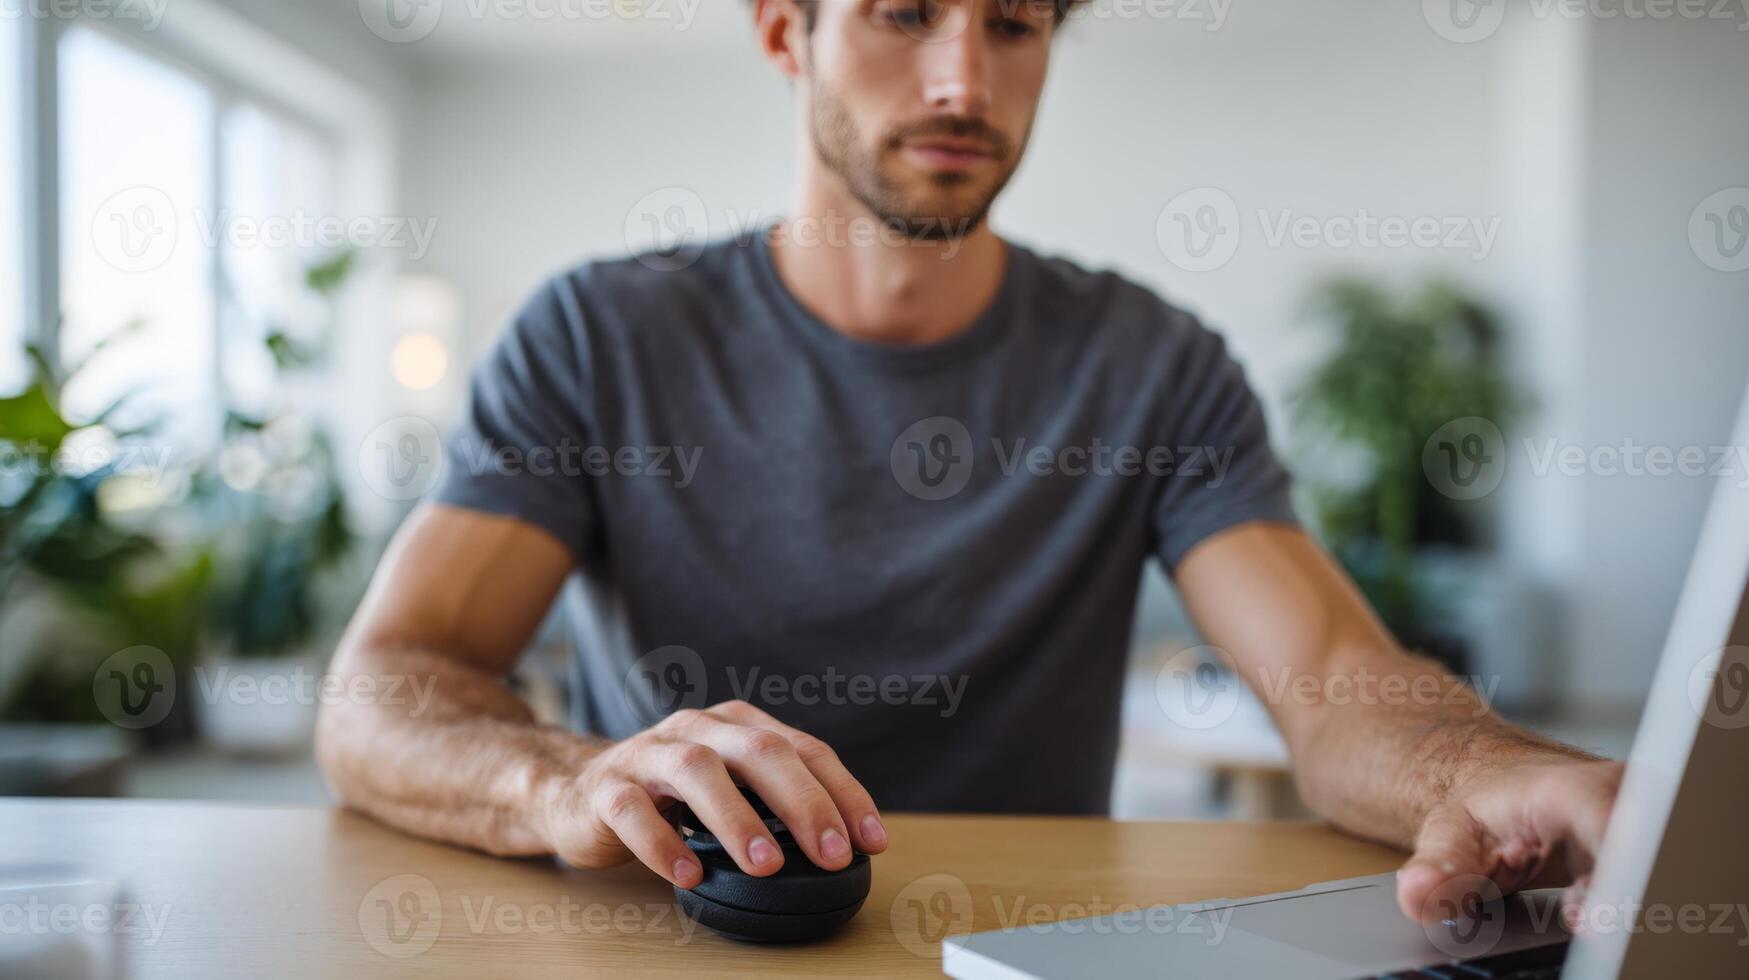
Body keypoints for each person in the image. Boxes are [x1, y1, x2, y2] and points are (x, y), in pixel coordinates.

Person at [316, 0, 1620, 925]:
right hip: (666, 941)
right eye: (901, 14)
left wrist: (1488, 773)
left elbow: (1331, 683)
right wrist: (563, 782)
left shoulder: (1152, 364)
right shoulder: (594, 337)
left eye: (1013, 22)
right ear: (786, 31)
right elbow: (384, 686)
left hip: (1023, 952)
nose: (962, 83)